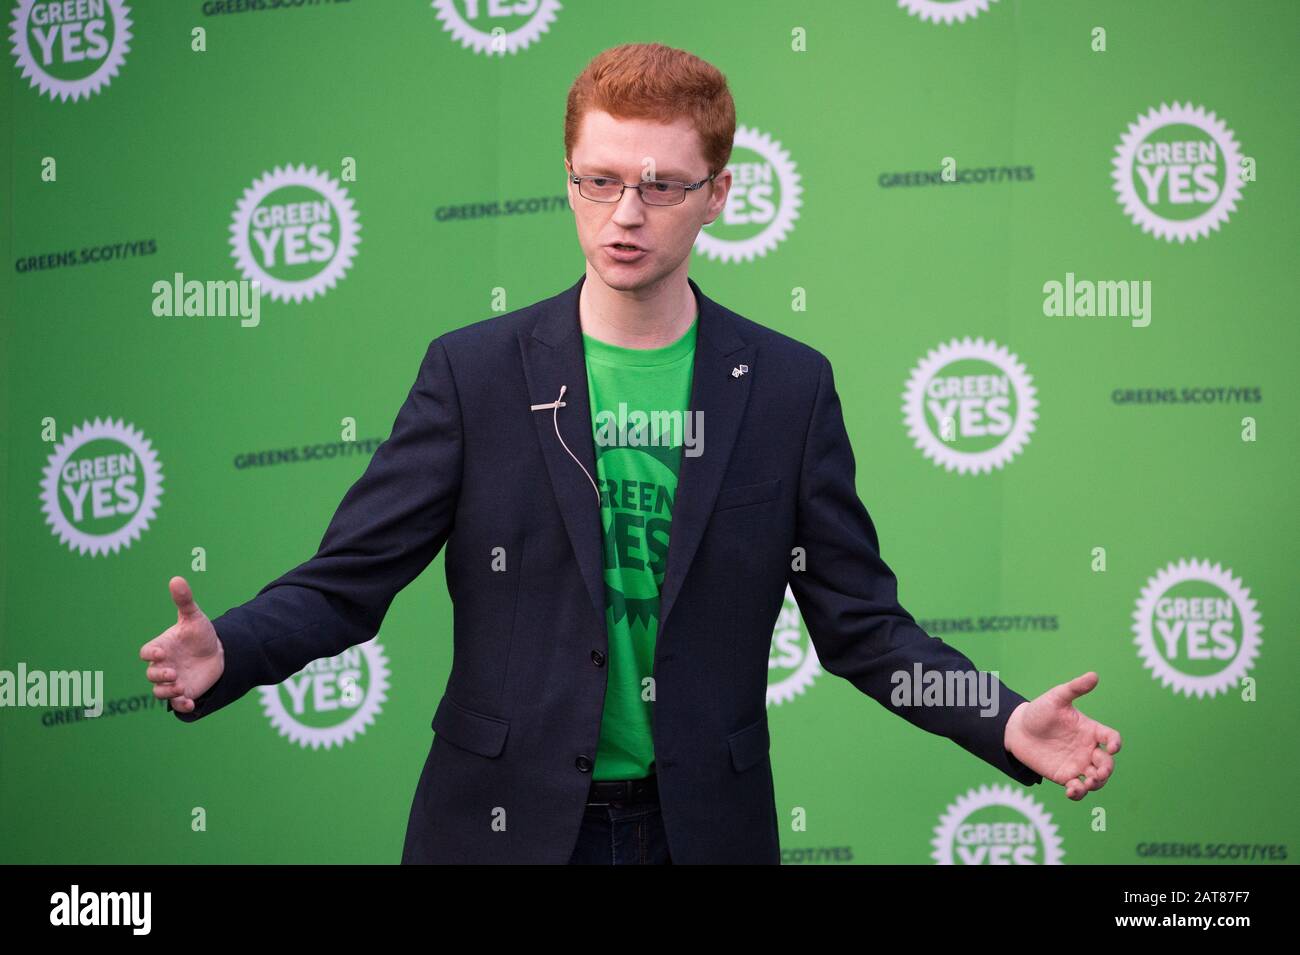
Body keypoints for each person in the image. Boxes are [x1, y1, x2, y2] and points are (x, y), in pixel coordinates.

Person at [140, 42, 1121, 865]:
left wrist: (997, 718)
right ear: (568, 178)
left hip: (696, 831)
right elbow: (346, 583)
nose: (625, 214)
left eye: (659, 185)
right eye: (599, 180)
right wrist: (232, 648)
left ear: (717, 195)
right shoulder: (473, 374)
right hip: (496, 826)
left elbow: (862, 625)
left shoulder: (787, 389)